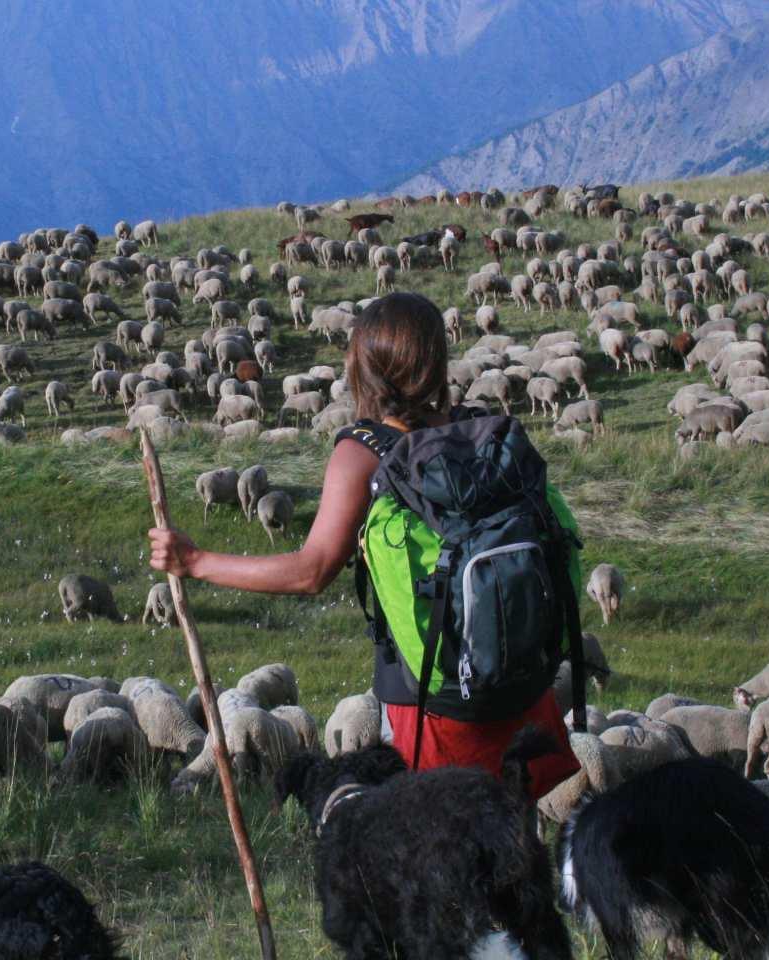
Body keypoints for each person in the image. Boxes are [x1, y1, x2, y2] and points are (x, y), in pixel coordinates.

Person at [147, 291, 579, 797]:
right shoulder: (484, 432)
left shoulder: (364, 452)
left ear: (366, 366)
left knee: (442, 847)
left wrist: (196, 561)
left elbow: (311, 570)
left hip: (436, 702)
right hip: (524, 683)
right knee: (514, 842)